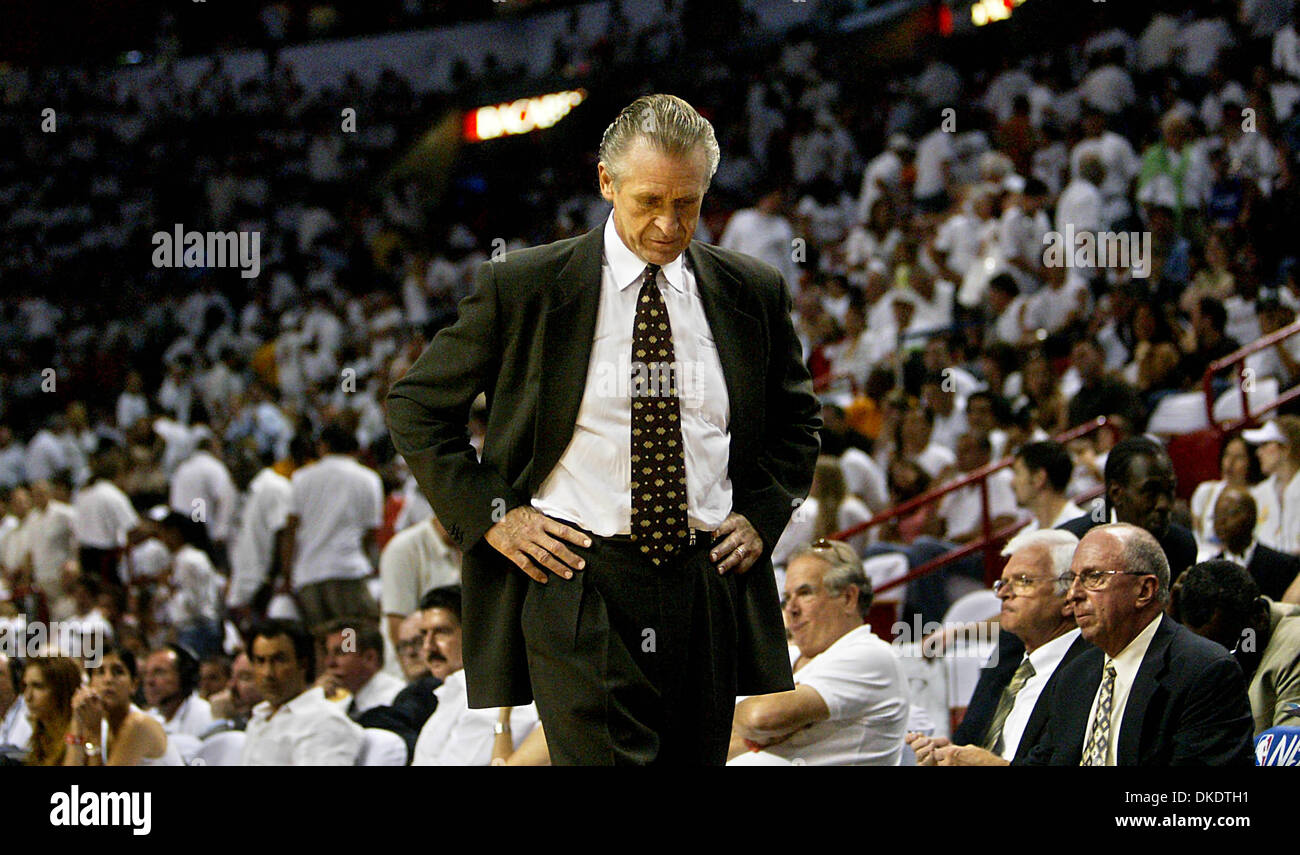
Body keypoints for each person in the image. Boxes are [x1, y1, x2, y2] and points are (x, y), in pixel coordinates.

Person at [386, 94, 821, 765]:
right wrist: (495, 516)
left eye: (688, 202)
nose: (669, 223)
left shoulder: (751, 289)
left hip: (707, 578)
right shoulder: (526, 285)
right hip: (579, 575)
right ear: (605, 182)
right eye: (650, 200)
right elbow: (415, 407)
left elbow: (798, 420)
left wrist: (763, 511)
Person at [1021, 524, 1255, 765]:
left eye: (1093, 577)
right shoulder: (1074, 676)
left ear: (1144, 590)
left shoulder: (1204, 672)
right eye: (1072, 579)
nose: (1073, 594)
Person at [911, 529, 1089, 766]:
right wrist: (948, 755)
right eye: (1002, 583)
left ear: (1068, 596)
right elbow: (977, 748)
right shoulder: (1010, 666)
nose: (1004, 594)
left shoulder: (1088, 670)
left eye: (1023, 581)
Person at [728, 539, 909, 765]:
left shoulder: (870, 654)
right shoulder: (790, 656)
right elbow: (722, 743)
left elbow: (760, 718)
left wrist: (744, 722)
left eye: (805, 593)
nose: (791, 609)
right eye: (787, 598)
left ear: (848, 598)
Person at [411, 585, 540, 765]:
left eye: (441, 632)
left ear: (475, 633)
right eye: (424, 634)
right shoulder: (451, 692)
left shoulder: (491, 699)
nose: (428, 646)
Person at [1173, 560, 1300, 736]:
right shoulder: (1199, 641)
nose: (1214, 660)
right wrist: (1168, 636)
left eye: (1227, 647)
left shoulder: (1295, 645)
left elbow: (1289, 751)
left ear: (1258, 617)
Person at [280, 422, 384, 633]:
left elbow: (290, 531)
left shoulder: (301, 478)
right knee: (356, 639)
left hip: (309, 574)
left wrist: (286, 574)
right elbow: (371, 533)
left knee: (322, 643)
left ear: (323, 446)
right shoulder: (368, 479)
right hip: (349, 570)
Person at [1059, 436, 1198, 581]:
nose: (1164, 504)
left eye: (1169, 490)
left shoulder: (1181, 545)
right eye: (1151, 491)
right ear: (1116, 493)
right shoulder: (1072, 544)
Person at [241, 618, 364, 765]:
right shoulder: (258, 719)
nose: (268, 673)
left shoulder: (325, 720)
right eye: (260, 661)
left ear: (303, 664)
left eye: (279, 660)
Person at [67, 643, 182, 766]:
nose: (108, 679)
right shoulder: (100, 724)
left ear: (134, 685)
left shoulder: (140, 724)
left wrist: (95, 735)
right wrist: (77, 721)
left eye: (118, 672)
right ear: (89, 685)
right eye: (100, 672)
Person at [1211, 488, 1300, 602]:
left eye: (1231, 513)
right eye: (1216, 515)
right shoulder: (1211, 570)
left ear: (1251, 517)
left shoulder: (1283, 566)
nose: (1221, 521)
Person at [1189, 436, 1260, 560]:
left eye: (1239, 457)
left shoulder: (1258, 495)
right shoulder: (1205, 491)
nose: (1230, 463)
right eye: (1227, 455)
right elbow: (1196, 533)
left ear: (1251, 461)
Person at [316, 620, 405, 718]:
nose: (330, 663)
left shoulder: (396, 699)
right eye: (327, 654)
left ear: (369, 658)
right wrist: (317, 698)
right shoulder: (342, 702)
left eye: (340, 653)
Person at [1010, 441, 1084, 534]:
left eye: (1018, 473)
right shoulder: (1026, 535)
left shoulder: (1082, 530)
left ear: (1039, 478)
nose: (1012, 483)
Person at [143, 644, 215, 739]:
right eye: (146, 673)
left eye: (159, 672)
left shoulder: (205, 716)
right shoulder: (148, 719)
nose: (149, 681)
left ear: (184, 677)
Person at [21, 655, 80, 766]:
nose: (27, 696)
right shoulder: (40, 739)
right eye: (25, 686)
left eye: (38, 686)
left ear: (61, 691)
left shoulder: (80, 737)